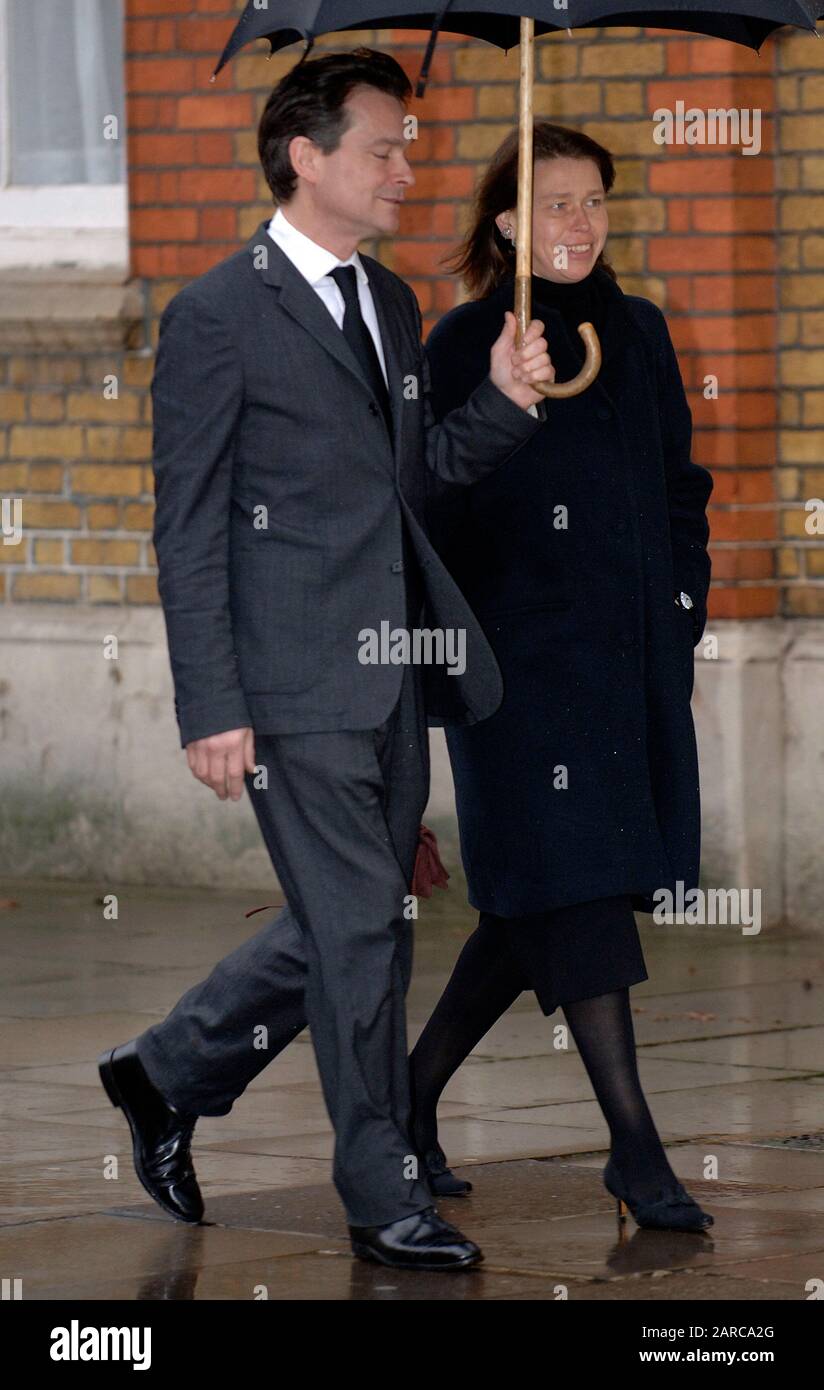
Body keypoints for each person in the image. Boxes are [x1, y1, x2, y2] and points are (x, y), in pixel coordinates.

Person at [96, 49, 556, 1272]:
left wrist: (501, 405)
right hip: (288, 685)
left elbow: (403, 491)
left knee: (362, 922)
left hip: (394, 670)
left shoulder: (391, 305)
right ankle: (382, 1190)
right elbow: (187, 525)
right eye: (384, 148)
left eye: (408, 146)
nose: (408, 168)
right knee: (357, 930)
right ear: (306, 157)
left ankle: (167, 1071)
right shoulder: (215, 315)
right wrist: (211, 703)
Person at [408, 122, 715, 1233]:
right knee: (573, 892)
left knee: (537, 897)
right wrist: (503, 396)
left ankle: (403, 1096)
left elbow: (680, 486)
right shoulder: (461, 341)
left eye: (591, 201)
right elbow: (426, 506)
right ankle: (635, 1152)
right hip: (513, 673)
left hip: (625, 663)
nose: (576, 224)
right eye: (551, 204)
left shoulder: (636, 333)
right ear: (503, 221)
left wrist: (680, 605)